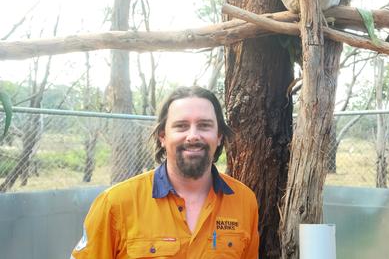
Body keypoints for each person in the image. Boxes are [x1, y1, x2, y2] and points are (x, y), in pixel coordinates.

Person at [71, 86, 259, 259]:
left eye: (204, 125)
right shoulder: (115, 204)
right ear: (162, 136)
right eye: (181, 126)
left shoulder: (244, 202)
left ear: (218, 137)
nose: (193, 135)